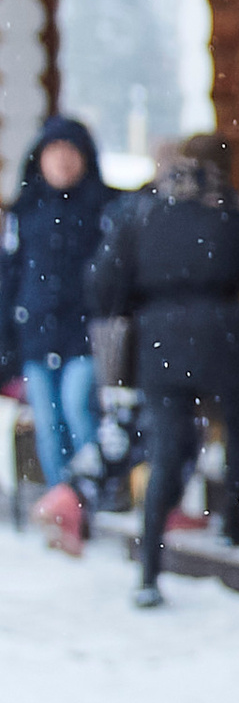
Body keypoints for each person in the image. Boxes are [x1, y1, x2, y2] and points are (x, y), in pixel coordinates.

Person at [85, 132, 239, 609]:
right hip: (224, 333)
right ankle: (234, 519)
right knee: (238, 425)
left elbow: (103, 285)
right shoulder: (233, 213)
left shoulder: (141, 215)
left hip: (160, 342)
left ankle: (149, 567)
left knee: (165, 449)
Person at [2, 113, 113, 501]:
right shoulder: (26, 210)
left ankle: (92, 495)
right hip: (35, 332)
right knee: (48, 423)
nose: (62, 161)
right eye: (54, 152)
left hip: (84, 332)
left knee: (78, 409)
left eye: (70, 152)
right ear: (40, 158)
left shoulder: (105, 208)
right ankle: (60, 501)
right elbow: (9, 277)